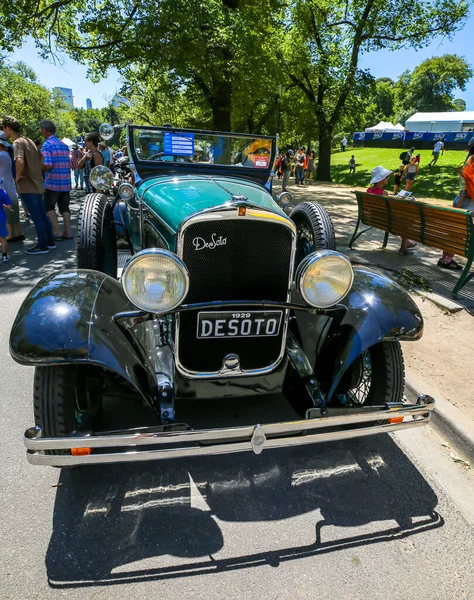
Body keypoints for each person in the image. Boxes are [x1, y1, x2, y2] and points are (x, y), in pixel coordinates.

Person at [1, 115, 55, 255]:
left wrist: (18, 177)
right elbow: (41, 158)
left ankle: (42, 245)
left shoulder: (17, 143)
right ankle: (50, 242)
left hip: (27, 185)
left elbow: (19, 161)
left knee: (36, 216)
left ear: (7, 127)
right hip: (37, 183)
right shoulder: (29, 140)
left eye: (3, 128)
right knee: (42, 215)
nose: (3, 131)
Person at [367, 166, 416, 255]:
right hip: (385, 220)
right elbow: (391, 208)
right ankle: (403, 248)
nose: (388, 178)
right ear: (381, 179)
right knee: (407, 220)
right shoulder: (383, 193)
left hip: (373, 218)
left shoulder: (369, 190)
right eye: (386, 177)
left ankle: (407, 243)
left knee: (402, 220)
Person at [438, 156, 474, 270]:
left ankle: (445, 258)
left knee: (453, 230)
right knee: (459, 232)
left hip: (459, 198)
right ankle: (447, 260)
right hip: (469, 201)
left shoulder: (467, 163)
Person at [40, 119, 73, 240]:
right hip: (65, 182)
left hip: (52, 183)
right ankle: (68, 232)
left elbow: (48, 165)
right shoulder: (63, 145)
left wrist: (38, 167)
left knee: (49, 207)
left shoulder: (47, 145)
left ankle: (57, 232)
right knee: (64, 207)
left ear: (44, 130)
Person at [0, 132, 24, 242]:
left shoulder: (1, 155)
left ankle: (10, 234)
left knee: (7, 211)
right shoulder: (7, 154)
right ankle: (19, 232)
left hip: (4, 187)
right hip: (9, 186)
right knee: (13, 209)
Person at [0, 184, 12, 262]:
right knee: (2, 238)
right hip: (1, 217)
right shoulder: (2, 192)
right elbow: (9, 206)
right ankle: (4, 256)